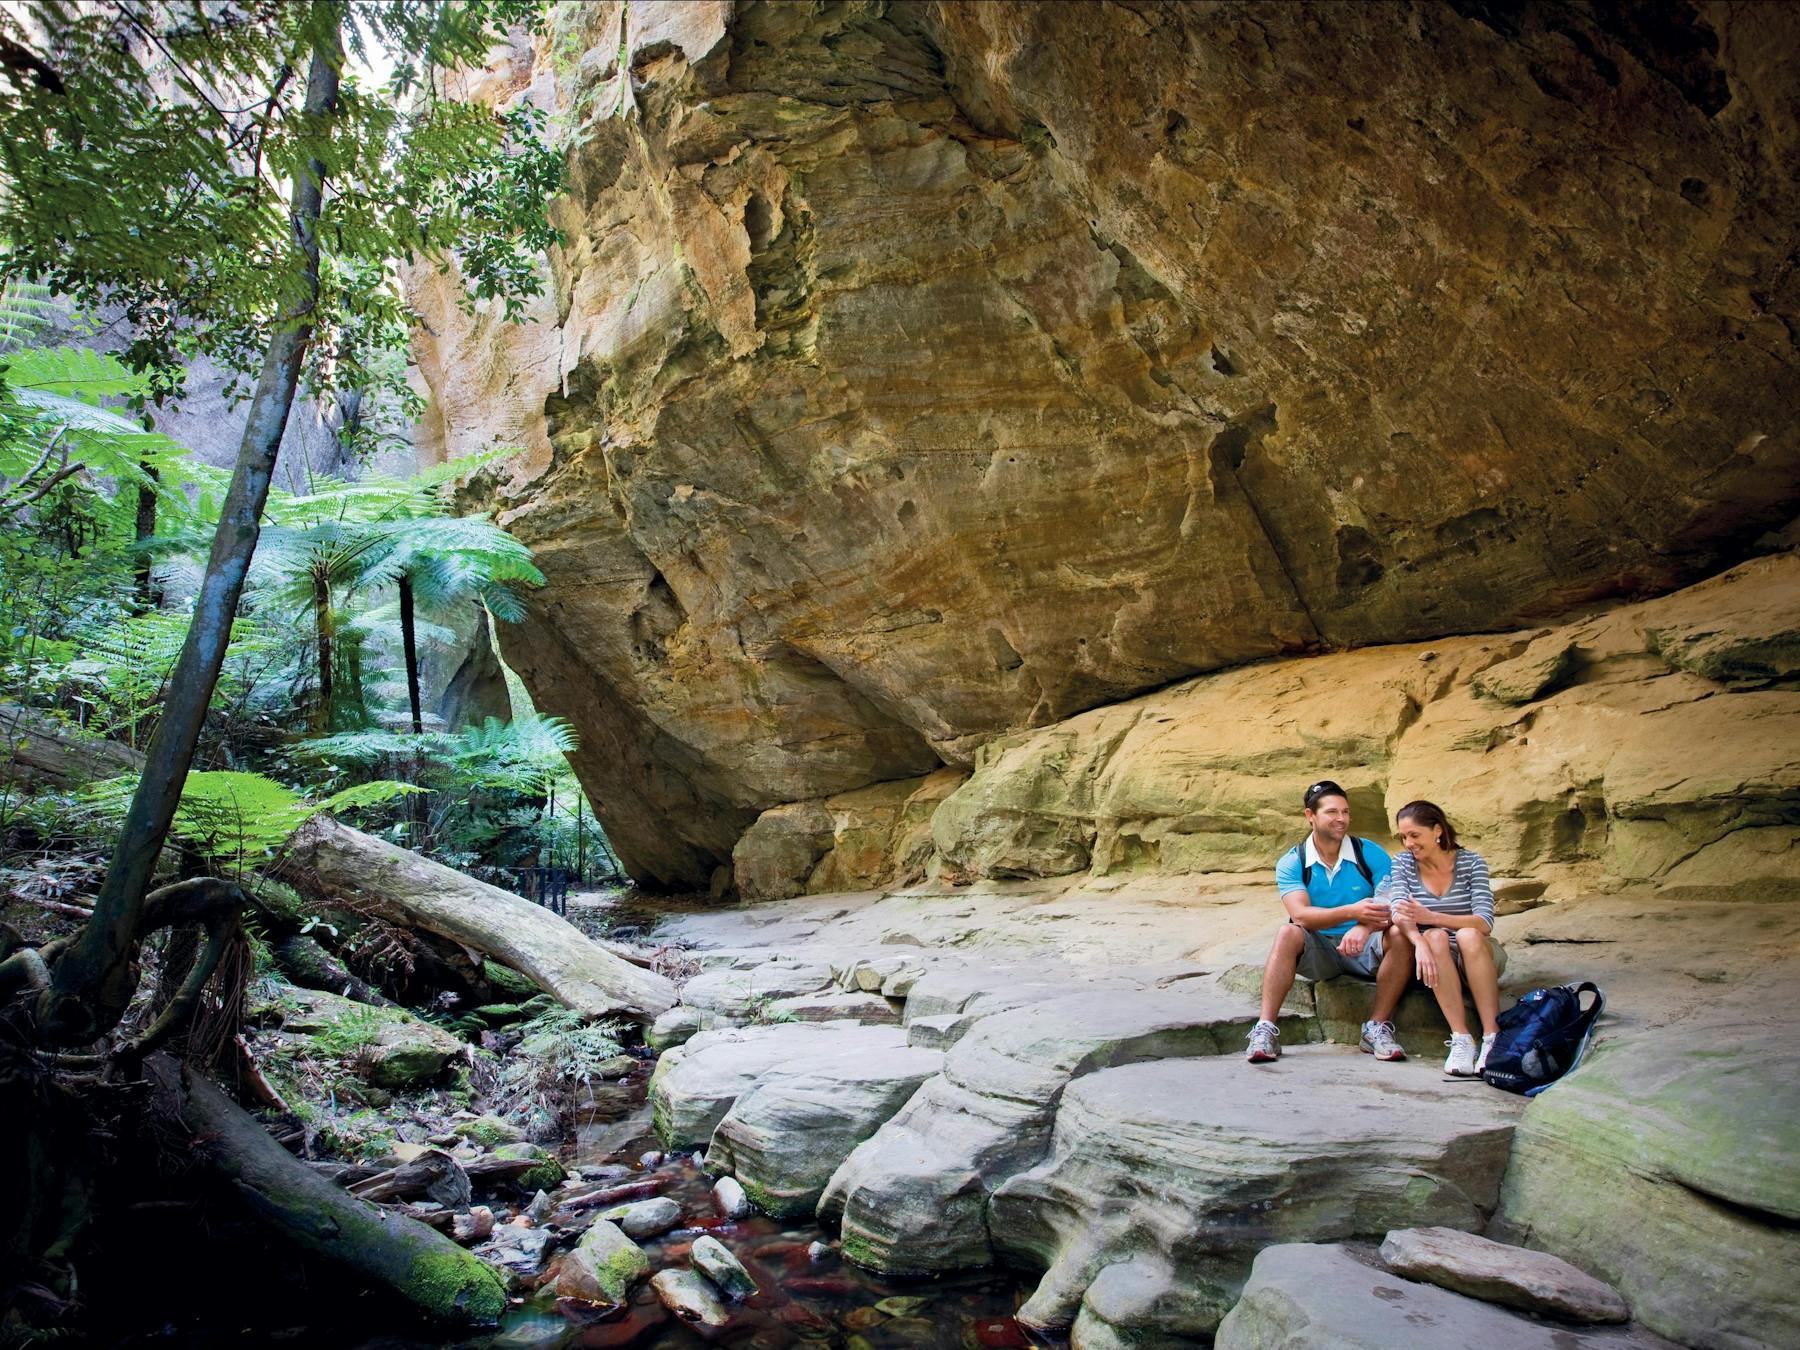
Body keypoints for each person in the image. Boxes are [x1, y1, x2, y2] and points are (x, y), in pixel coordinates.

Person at [1246, 779, 1413, 1064]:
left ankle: (1376, 1027)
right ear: (1310, 816)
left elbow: (1392, 902)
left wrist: (1363, 926)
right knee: (1288, 932)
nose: (1341, 819)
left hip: (1368, 945)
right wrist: (1353, 912)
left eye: (1345, 812)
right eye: (1332, 812)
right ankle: (1265, 1029)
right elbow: (1301, 915)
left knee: (1399, 933)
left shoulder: (1368, 853)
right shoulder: (1293, 861)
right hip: (1321, 950)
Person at [1380, 799, 1508, 1077]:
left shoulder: (1471, 862)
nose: (1408, 843)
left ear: (1437, 831)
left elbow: (1484, 922)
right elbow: (1399, 912)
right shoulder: (1403, 863)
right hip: (1438, 959)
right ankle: (1461, 1038)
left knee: (1468, 935)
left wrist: (1431, 916)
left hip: (1477, 954)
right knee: (1436, 938)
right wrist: (1420, 943)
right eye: (1404, 837)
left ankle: (1492, 1036)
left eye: (1415, 835)